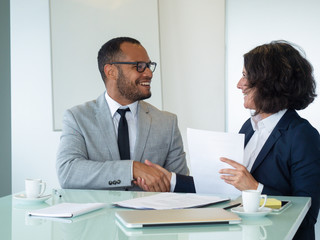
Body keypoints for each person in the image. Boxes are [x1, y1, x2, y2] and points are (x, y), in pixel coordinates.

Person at [137, 41, 320, 239]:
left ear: (270, 81)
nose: (239, 84)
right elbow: (223, 187)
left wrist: (255, 189)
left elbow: (307, 215)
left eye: (245, 76)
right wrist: (170, 180)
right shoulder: (250, 128)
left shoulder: (302, 135)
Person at [56, 37, 189, 192]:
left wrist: (165, 186)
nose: (148, 73)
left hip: (149, 215)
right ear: (111, 72)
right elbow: (68, 173)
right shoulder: (77, 118)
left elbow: (181, 188)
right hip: (98, 215)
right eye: (139, 66)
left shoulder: (167, 123)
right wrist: (132, 169)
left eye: (148, 66)